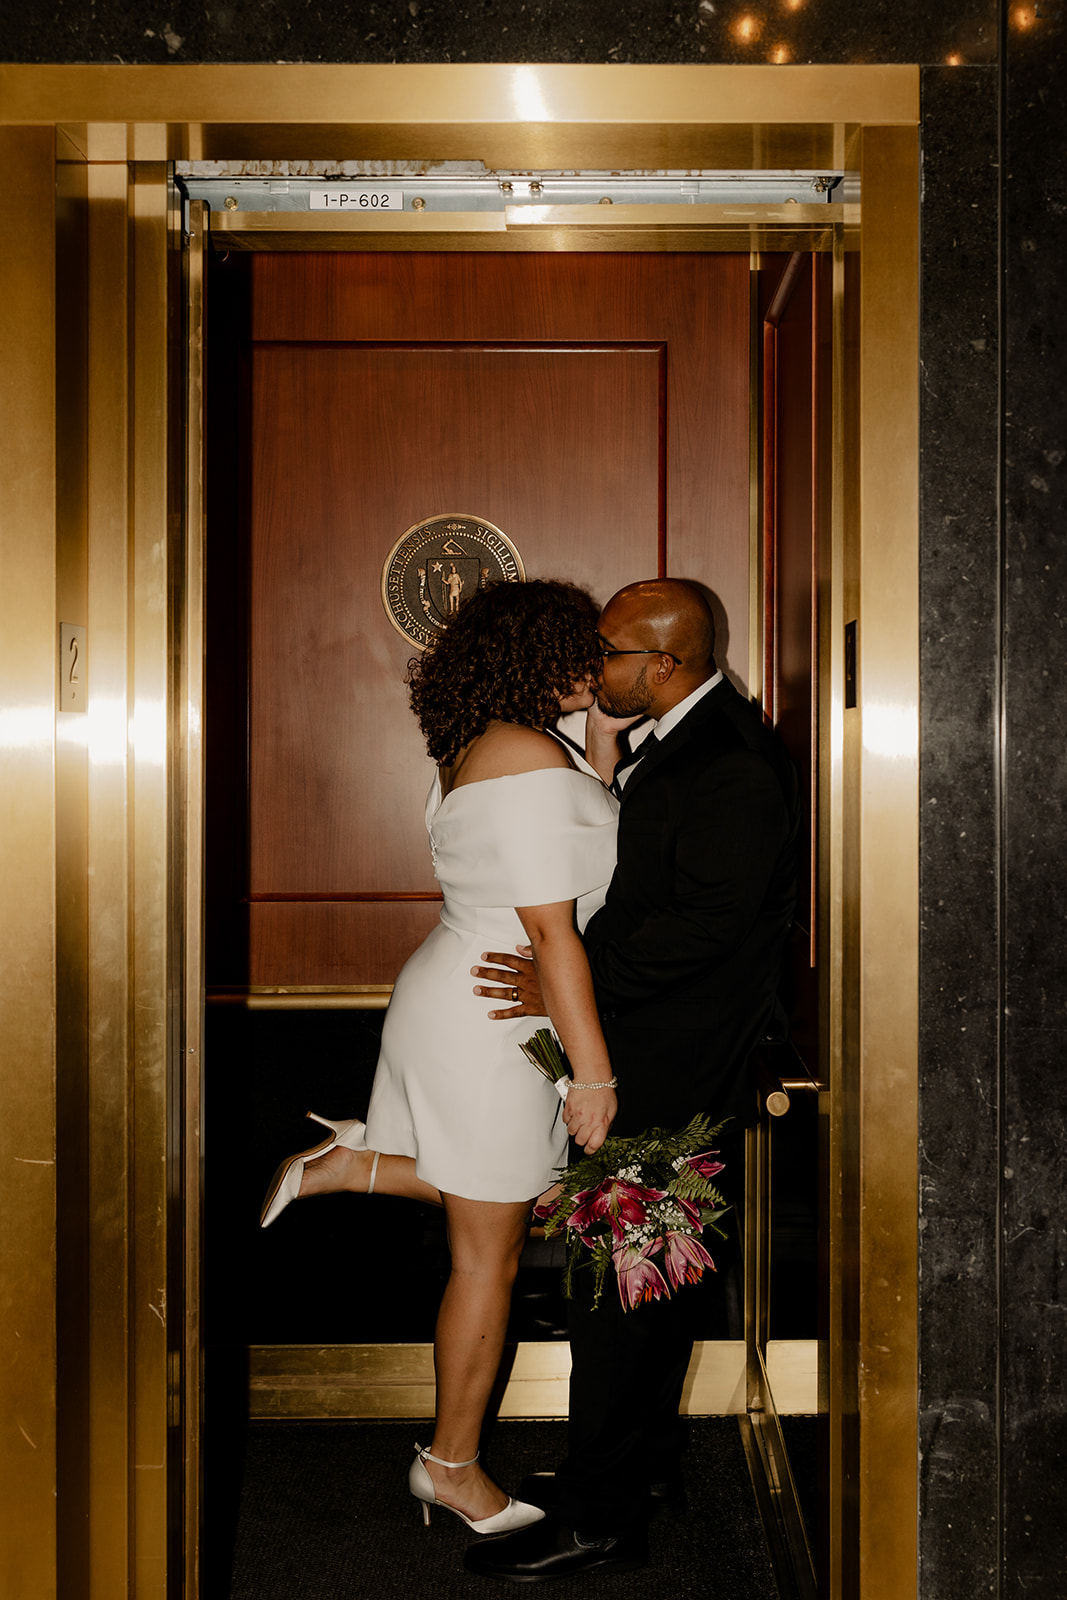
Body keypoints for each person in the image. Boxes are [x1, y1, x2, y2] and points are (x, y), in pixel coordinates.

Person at [258, 579, 622, 1538]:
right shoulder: (522, 754)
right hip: (493, 1011)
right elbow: (552, 933)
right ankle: (450, 1467)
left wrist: (598, 763)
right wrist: (593, 1075)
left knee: (503, 1199)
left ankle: (356, 1166)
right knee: (486, 1254)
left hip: (461, 992)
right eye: (583, 649)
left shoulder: (483, 746)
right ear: (539, 657)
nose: (599, 663)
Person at [465, 577, 800, 1582]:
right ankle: (630, 1470)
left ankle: (600, 1512)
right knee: (643, 1284)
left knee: (617, 1298)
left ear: (661, 662)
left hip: (669, 1065)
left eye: (606, 650)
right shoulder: (693, 741)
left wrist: (568, 978)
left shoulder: (731, 762)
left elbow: (712, 927)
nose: (591, 666)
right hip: (660, 1051)